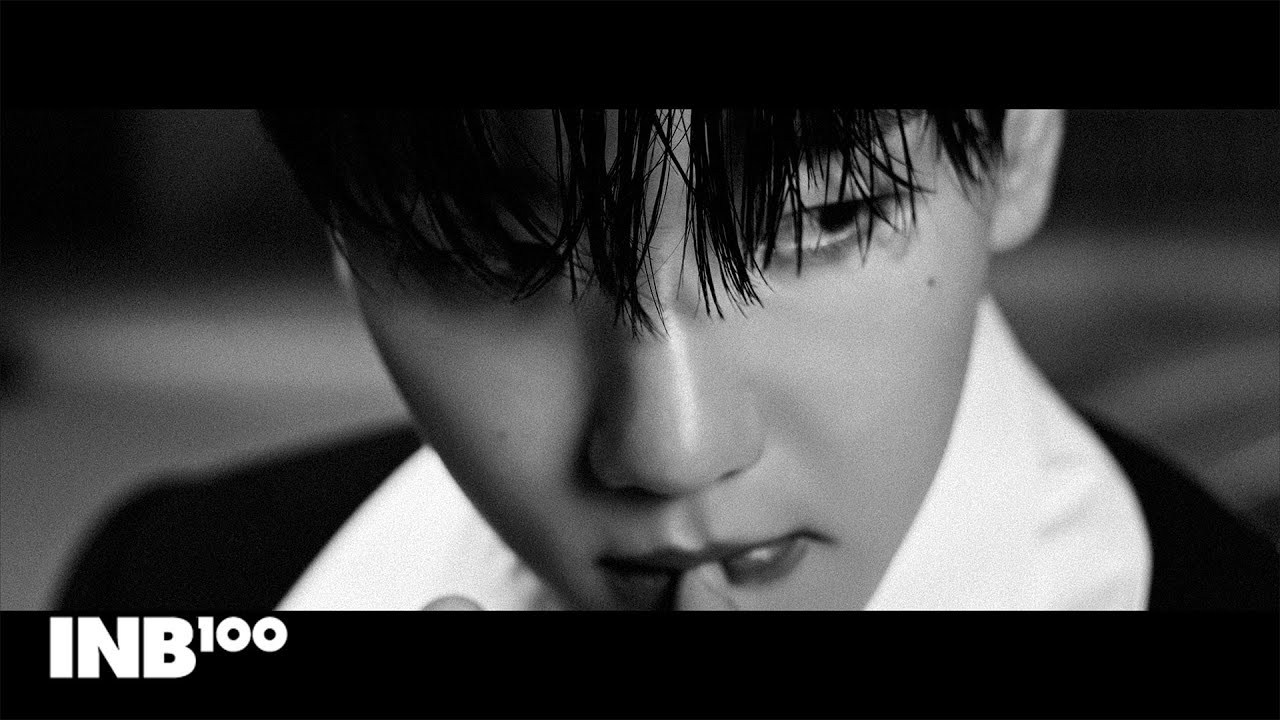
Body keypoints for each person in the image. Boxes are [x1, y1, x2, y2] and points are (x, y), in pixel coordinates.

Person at [57, 109, 1278, 611]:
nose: (673, 447)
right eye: (493, 253)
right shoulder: (170, 589)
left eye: (822, 218)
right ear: (338, 239)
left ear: (1014, 145)